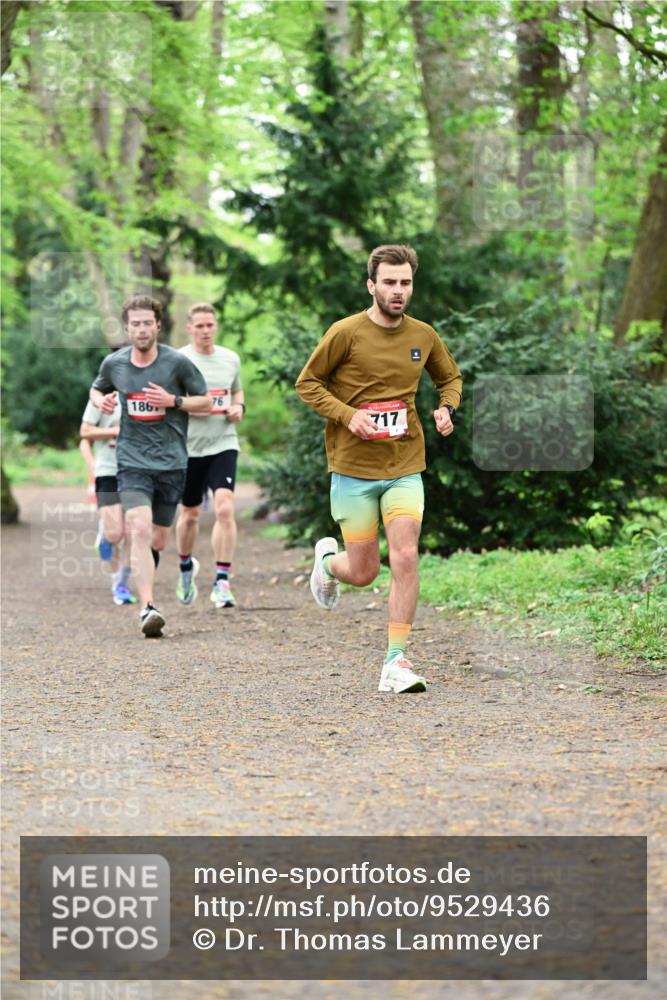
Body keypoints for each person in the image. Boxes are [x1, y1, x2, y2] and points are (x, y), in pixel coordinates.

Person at [295, 244, 462, 693]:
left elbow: (449, 378)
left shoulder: (423, 335)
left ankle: (396, 660)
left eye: (405, 282)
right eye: (388, 282)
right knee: (364, 571)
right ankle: (329, 565)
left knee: (406, 554)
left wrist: (446, 408)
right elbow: (307, 383)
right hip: (352, 468)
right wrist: (349, 415)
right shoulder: (345, 333)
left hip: (405, 464)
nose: (397, 290)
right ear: (371, 285)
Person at [89, 295, 211, 637]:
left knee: (157, 539)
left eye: (147, 323)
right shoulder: (115, 364)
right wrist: (103, 399)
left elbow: (205, 403)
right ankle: (147, 608)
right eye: (135, 324)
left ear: (157, 325)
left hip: (172, 463)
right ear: (127, 328)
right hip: (130, 461)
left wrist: (173, 401)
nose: (141, 329)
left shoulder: (177, 364)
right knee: (138, 529)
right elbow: (96, 390)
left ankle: (145, 583)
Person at [174, 303, 244, 609]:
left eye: (210, 325)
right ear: (189, 327)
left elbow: (237, 392)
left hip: (223, 443)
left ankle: (222, 581)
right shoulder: (177, 361)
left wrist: (239, 407)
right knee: (189, 515)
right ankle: (186, 566)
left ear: (215, 326)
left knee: (225, 508)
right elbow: (168, 402)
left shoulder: (230, 359)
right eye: (199, 326)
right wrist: (196, 404)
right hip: (188, 448)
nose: (205, 331)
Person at [80, 346, 136, 606]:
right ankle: (105, 535)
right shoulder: (103, 399)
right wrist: (115, 433)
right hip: (108, 470)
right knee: (115, 533)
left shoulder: (143, 396)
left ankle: (120, 584)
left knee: (134, 531)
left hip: (138, 470)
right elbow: (86, 432)